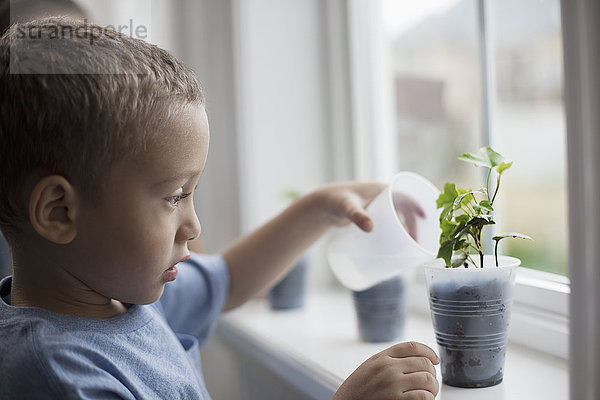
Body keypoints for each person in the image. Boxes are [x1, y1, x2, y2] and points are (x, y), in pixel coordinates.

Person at [0, 17, 440, 399]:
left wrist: (321, 208)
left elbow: (228, 280)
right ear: (59, 213)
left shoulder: (122, 295)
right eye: (174, 197)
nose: (193, 225)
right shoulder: (56, 376)